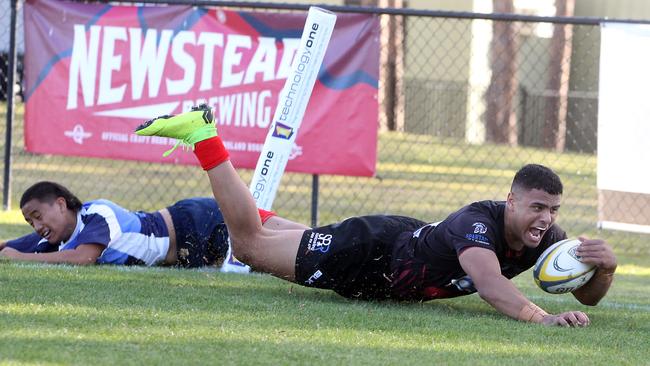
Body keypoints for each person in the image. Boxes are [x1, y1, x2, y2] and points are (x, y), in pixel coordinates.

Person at [134, 104, 618, 326]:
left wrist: (606, 269)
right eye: (536, 207)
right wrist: (541, 319)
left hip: (394, 252)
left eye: (552, 210)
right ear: (511, 200)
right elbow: (492, 286)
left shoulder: (545, 234)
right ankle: (204, 136)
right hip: (369, 255)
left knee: (273, 232)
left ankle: (234, 202)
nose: (545, 219)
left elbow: (586, 298)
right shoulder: (478, 224)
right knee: (250, 246)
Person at [0, 181, 307, 267]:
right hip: (187, 251)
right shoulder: (55, 241)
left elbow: (84, 258)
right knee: (267, 246)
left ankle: (326, 238)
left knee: (273, 239)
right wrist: (12, 251)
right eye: (29, 222)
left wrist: (21, 258)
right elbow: (9, 248)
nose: (36, 227)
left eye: (37, 216)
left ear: (60, 203)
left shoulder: (97, 214)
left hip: (194, 221)